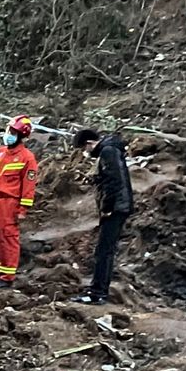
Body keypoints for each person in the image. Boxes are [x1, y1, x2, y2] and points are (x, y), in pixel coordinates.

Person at [72, 128, 133, 305]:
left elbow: (114, 181)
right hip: (119, 206)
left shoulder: (107, 151)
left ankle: (98, 294)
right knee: (105, 250)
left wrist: (107, 207)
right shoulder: (110, 150)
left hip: (116, 208)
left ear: (89, 143)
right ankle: (97, 290)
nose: (85, 152)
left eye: (84, 148)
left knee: (104, 251)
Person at [0, 116, 39, 285]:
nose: (8, 135)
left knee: (8, 238)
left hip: (9, 203)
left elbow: (28, 186)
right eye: (7, 131)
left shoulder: (27, 158)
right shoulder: (0, 152)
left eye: (12, 132)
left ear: (20, 136)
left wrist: (23, 209)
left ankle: (8, 276)